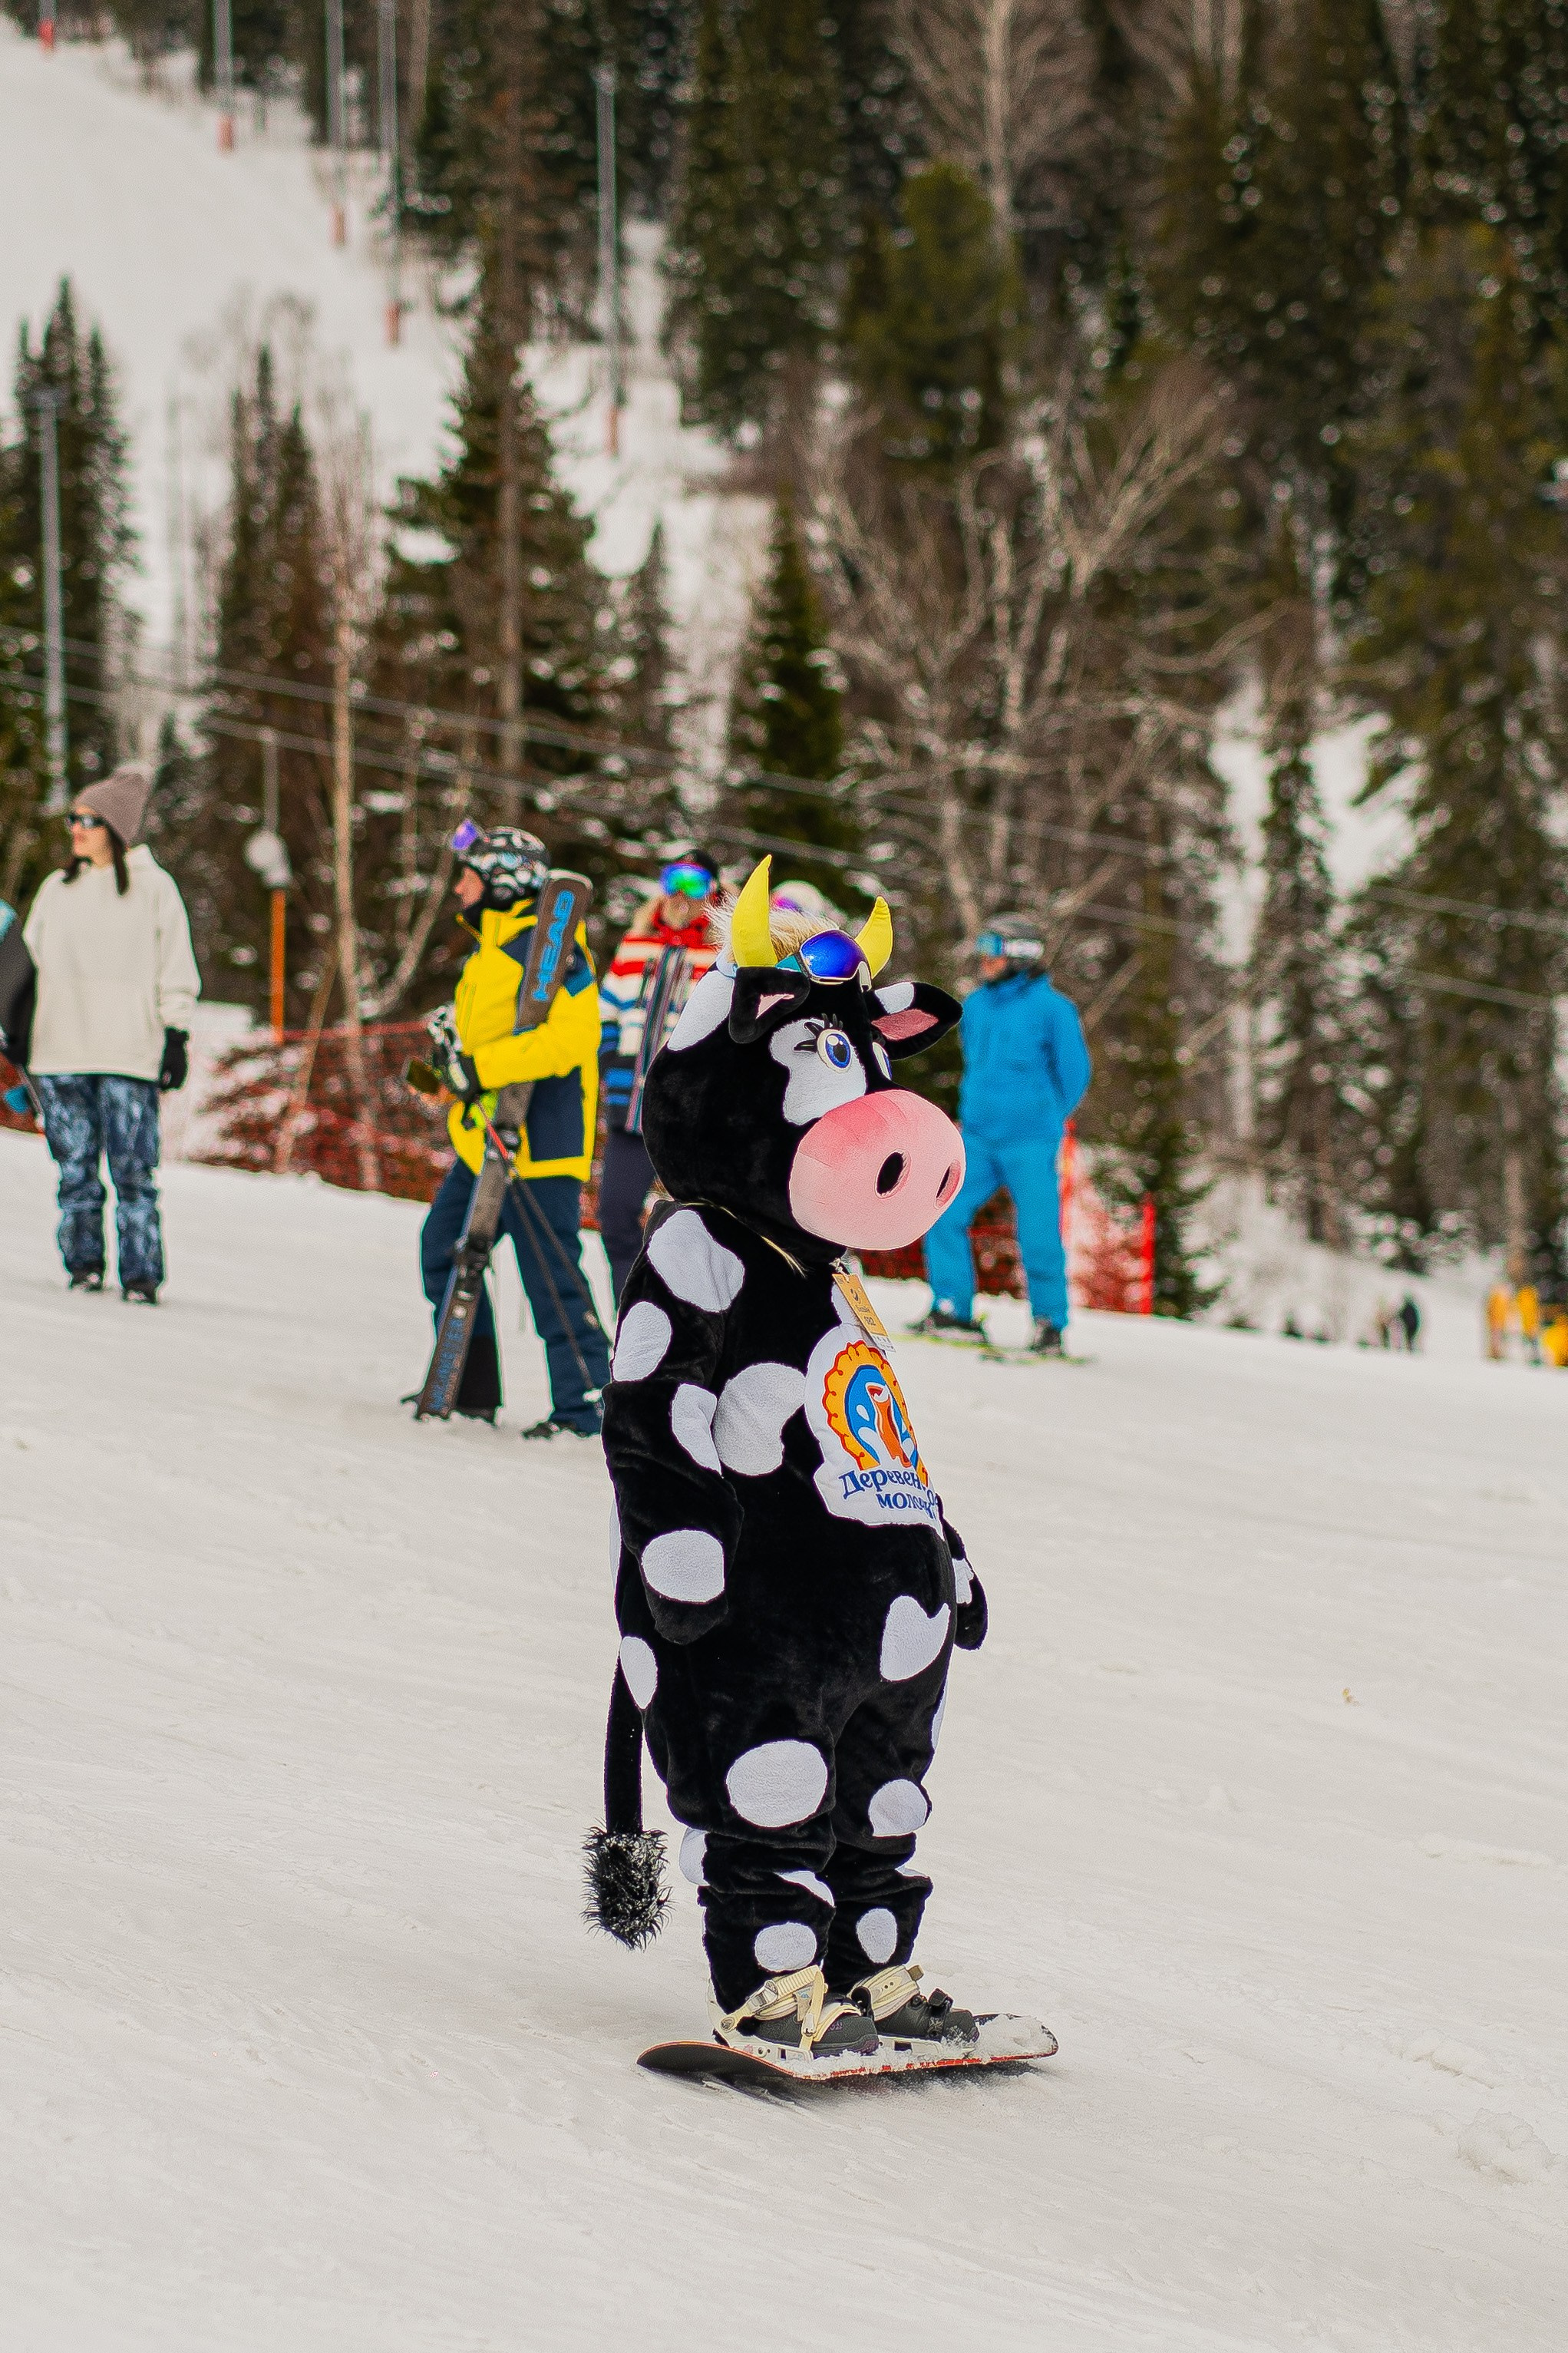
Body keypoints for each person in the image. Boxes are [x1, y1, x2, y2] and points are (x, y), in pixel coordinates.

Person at [418, 823, 612, 1439]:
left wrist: (478, 1067)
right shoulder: (489, 950)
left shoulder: (556, 949)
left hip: (543, 1144)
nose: (459, 889)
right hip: (485, 1142)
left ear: (503, 882)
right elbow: (489, 1041)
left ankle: (586, 1407)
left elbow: (572, 1038)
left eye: (470, 877)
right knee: (441, 1251)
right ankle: (469, 1390)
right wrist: (449, 1069)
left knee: (550, 1277)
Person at [21, 762, 199, 1303]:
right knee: (74, 1171)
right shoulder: (57, 889)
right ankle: (83, 1266)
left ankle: (141, 1275)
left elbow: (176, 965)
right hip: (59, 1051)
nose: (75, 828)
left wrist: (176, 1033)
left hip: (128, 1052)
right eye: (73, 817)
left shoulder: (155, 889)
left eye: (89, 820)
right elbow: (23, 967)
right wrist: (15, 1027)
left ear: (116, 830)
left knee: (132, 1173)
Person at [920, 912, 1091, 1356]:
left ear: (1021, 955)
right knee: (941, 1214)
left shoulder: (1055, 1010)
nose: (984, 959)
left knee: (1037, 1233)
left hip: (1030, 1143)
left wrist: (1042, 1115)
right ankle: (952, 1309)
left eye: (993, 950)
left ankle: (1049, 1324)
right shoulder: (975, 1005)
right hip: (977, 1137)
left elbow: (1075, 1075)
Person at [596, 857, 721, 1300]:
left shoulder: (722, 957)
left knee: (694, 1226)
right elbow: (606, 1010)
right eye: (675, 879)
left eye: (696, 882)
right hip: (630, 1105)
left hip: (687, 1116)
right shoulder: (636, 945)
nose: (683, 892)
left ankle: (688, 1318)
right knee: (615, 1214)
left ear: (713, 891)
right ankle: (629, 1311)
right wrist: (611, 1061)